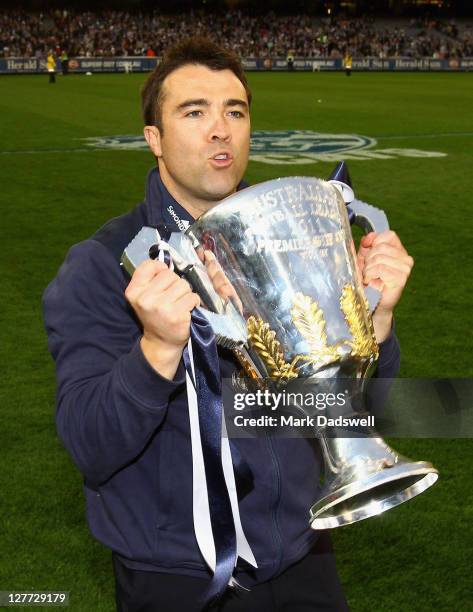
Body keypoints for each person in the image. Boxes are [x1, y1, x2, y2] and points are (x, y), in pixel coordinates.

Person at [43, 37, 413, 612]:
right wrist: (155, 352)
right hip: (177, 582)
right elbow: (90, 445)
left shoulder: (292, 233)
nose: (221, 129)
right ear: (154, 139)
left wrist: (379, 325)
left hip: (305, 558)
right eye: (194, 112)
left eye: (235, 112)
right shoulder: (103, 264)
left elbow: (366, 413)